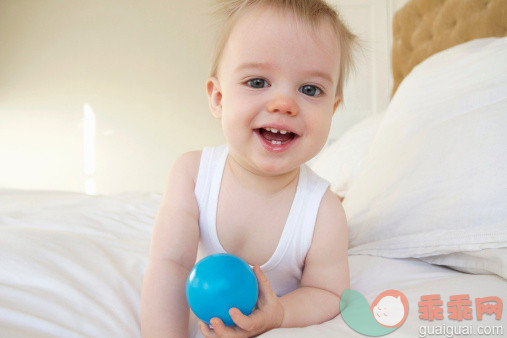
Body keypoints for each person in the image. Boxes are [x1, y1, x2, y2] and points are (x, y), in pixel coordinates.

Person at [141, 0, 357, 337]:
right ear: (218, 98)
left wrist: (280, 314)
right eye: (257, 82)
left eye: (310, 89)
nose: (283, 104)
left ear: (333, 108)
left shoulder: (324, 212)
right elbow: (170, 266)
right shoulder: (192, 175)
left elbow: (329, 293)